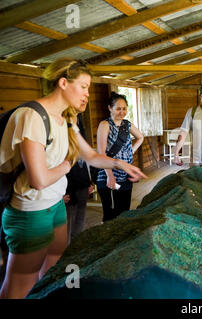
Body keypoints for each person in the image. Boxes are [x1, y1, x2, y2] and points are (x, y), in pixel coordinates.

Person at [0, 58, 146, 299]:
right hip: (31, 210)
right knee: (20, 283)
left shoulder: (67, 119)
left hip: (55, 204)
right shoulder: (32, 116)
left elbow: (89, 155)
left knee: (55, 263)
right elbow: (38, 179)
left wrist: (121, 164)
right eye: (84, 86)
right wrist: (67, 164)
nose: (88, 94)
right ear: (63, 83)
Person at [96, 92, 144, 222]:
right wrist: (110, 176)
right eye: (118, 108)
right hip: (108, 175)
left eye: (124, 108)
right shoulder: (105, 125)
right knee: (111, 215)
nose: (122, 112)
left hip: (125, 175)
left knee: (124, 213)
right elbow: (101, 153)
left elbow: (140, 137)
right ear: (110, 108)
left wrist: (130, 152)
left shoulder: (127, 125)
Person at [63, 113, 94, 244]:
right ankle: (66, 251)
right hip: (66, 186)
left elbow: (88, 159)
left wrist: (91, 181)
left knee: (80, 216)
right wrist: (60, 193)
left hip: (82, 181)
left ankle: (75, 246)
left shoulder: (80, 133)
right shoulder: (61, 135)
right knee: (67, 222)